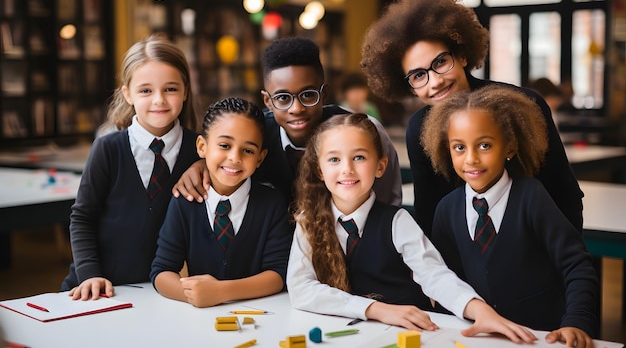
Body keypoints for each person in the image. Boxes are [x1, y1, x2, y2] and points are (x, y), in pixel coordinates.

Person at [286, 112, 537, 344]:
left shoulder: (398, 221)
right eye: (334, 159)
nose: (347, 169)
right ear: (319, 169)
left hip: (408, 335)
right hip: (351, 335)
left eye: (359, 157)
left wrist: (480, 310)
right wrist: (375, 310)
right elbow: (301, 289)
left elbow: (435, 275)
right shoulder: (309, 221)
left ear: (381, 166)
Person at [360, 0, 583, 238]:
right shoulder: (419, 129)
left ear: (462, 55)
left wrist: (564, 266)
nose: (434, 82)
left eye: (441, 62)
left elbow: (565, 196)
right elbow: (430, 215)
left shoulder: (523, 105)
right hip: (461, 267)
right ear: (407, 85)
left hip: (536, 251)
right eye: (418, 75)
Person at [422, 85, 599, 346]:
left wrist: (576, 322)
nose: (470, 159)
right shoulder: (446, 210)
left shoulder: (532, 197)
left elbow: (577, 266)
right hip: (478, 339)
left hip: (540, 337)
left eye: (484, 145)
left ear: (510, 147)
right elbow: (448, 282)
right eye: (459, 147)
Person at [173, 36, 402, 207]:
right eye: (283, 98)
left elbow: (388, 204)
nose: (297, 108)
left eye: (308, 95)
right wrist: (201, 166)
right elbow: (226, 156)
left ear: (324, 93)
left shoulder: (363, 132)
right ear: (268, 101)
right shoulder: (253, 133)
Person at [61, 35, 201, 299]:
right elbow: (82, 218)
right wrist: (90, 274)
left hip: (159, 293)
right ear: (128, 94)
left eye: (170, 89)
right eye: (146, 90)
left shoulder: (200, 151)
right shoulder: (108, 149)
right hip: (97, 287)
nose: (159, 100)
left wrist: (203, 163)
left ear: (185, 90)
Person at [150, 97, 292, 307]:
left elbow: (278, 274)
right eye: (225, 145)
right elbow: (162, 272)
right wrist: (194, 294)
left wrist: (221, 292)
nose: (235, 158)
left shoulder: (272, 204)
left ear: (260, 158)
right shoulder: (185, 202)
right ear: (202, 147)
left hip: (261, 316)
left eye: (248, 150)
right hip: (202, 321)